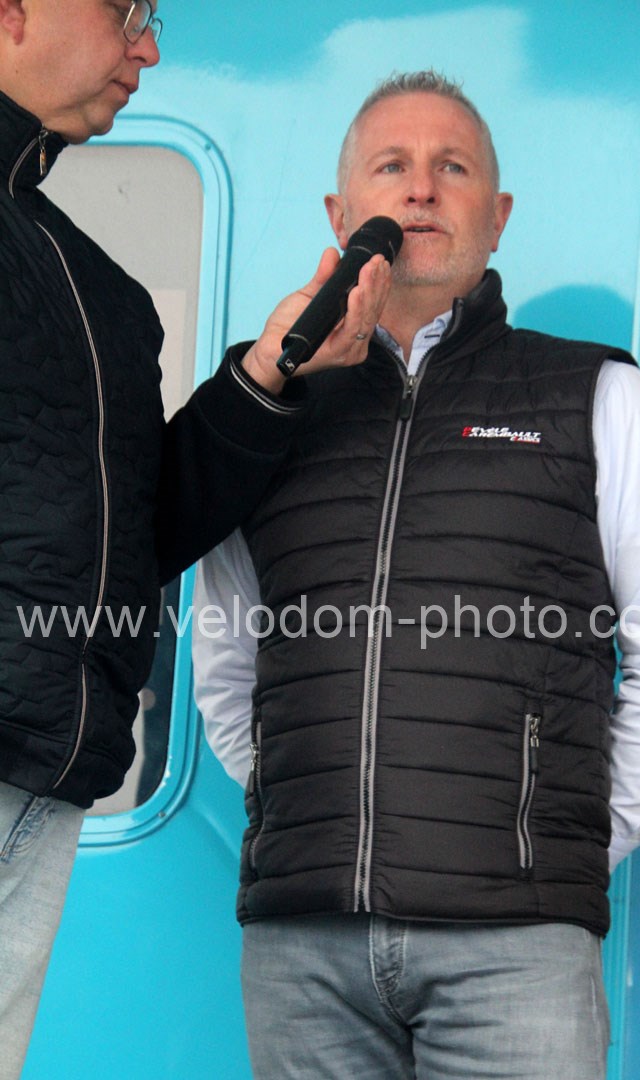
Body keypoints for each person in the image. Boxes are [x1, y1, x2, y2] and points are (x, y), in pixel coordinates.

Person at [192, 71, 640, 1078]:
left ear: (498, 214)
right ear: (341, 213)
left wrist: (566, 840)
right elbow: (224, 658)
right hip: (304, 947)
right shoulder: (265, 404)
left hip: (516, 951)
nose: (422, 189)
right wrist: (302, 810)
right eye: (392, 165)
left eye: (454, 167)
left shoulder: (595, 394)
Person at [0, 2, 390, 1076]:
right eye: (125, 9)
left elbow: (135, 535)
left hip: (49, 769)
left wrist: (268, 377)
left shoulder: (100, 291)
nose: (149, 46)